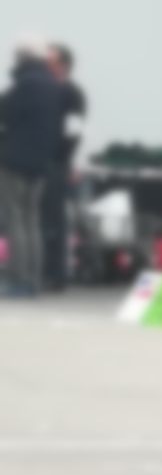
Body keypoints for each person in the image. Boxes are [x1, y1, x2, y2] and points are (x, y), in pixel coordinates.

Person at [0, 37, 63, 298]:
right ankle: (34, 278)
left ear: (21, 57)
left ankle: (19, 279)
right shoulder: (53, 86)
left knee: (15, 221)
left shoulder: (25, 84)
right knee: (32, 221)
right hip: (41, 164)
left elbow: (5, 113)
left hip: (15, 161)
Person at [41, 43, 86, 292]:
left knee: (56, 221)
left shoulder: (72, 94)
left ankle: (56, 274)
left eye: (51, 62)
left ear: (64, 66)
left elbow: (74, 132)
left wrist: (66, 161)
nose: (46, 66)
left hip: (58, 164)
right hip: (41, 162)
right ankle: (42, 270)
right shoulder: (44, 91)